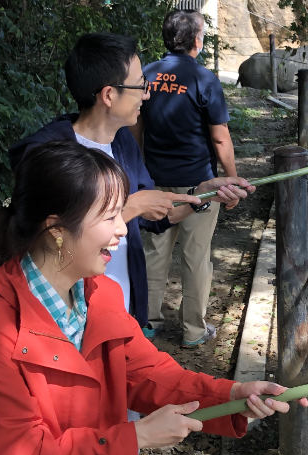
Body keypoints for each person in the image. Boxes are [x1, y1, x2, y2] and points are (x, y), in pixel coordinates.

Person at [0, 142, 304, 455]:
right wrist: (136, 438)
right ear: (57, 230)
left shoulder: (97, 295)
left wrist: (234, 395)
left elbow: (148, 374)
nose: (122, 232)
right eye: (110, 217)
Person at [9, 32, 248, 339]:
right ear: (109, 95)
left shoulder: (123, 142)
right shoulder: (49, 152)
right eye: (140, 86)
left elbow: (159, 217)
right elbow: (51, 236)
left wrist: (202, 193)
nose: (147, 96)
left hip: (117, 308)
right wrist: (131, 206)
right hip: (62, 319)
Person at [130, 10, 237, 348]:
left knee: (153, 255)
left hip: (155, 184)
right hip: (199, 187)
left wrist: (140, 175)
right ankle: (193, 331)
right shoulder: (204, 79)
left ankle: (147, 322)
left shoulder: (145, 75)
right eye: (202, 33)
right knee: (195, 257)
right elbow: (220, 138)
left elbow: (135, 130)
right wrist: (231, 181)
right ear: (195, 40)